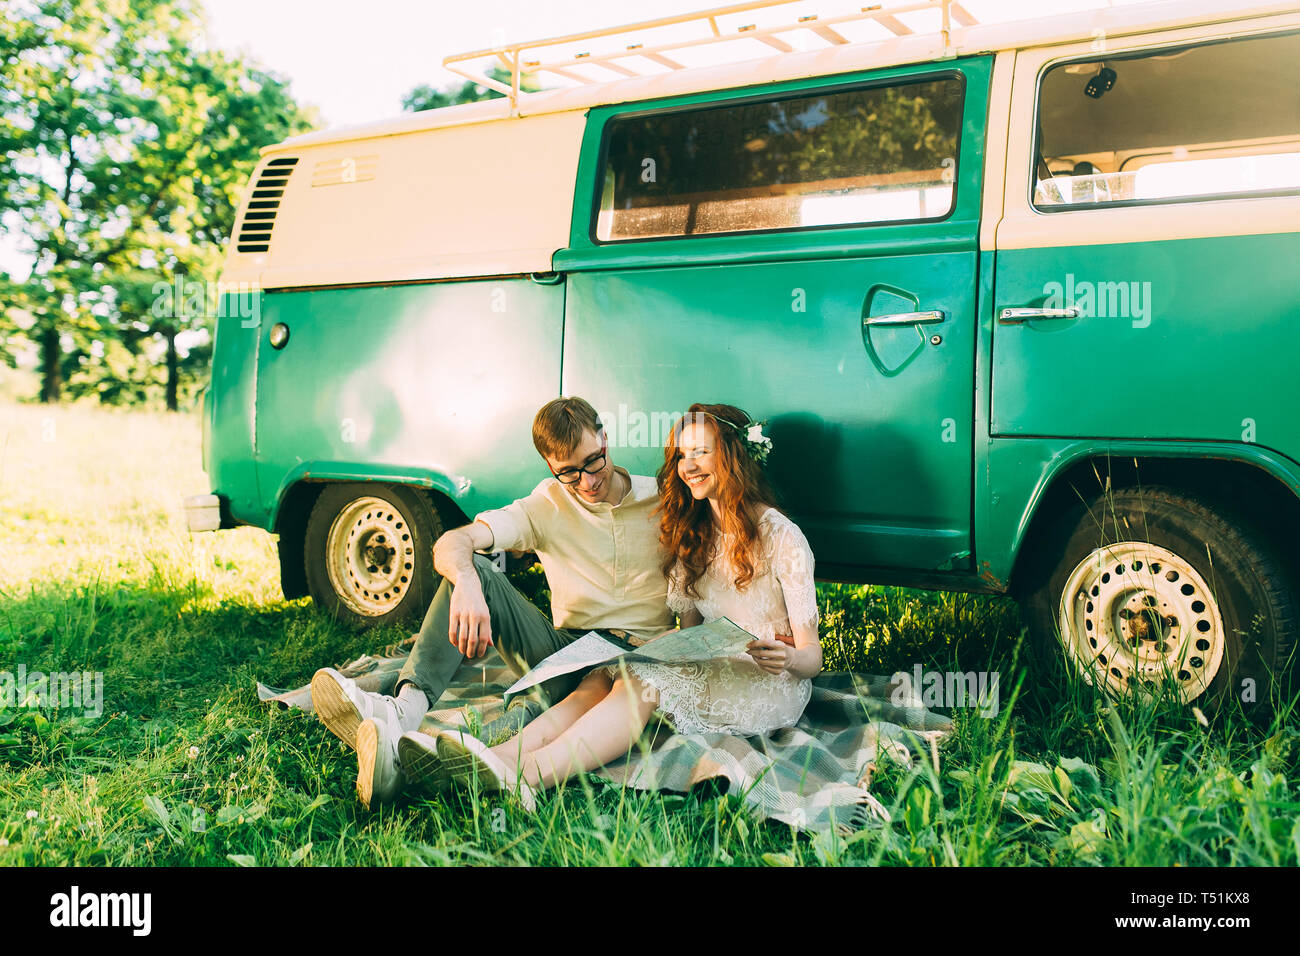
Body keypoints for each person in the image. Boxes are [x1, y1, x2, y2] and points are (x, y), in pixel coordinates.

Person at [400, 403, 822, 808]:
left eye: (701, 453)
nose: (689, 464)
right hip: (677, 660)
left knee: (641, 679)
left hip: (768, 682)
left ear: (732, 456)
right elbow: (692, 634)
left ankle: (529, 774)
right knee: (608, 678)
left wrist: (787, 657)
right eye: (682, 455)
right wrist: (668, 648)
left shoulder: (782, 538)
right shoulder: (693, 535)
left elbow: (813, 659)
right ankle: (498, 757)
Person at [309, 396, 673, 809]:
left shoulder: (663, 498)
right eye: (569, 473)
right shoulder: (548, 503)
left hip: (642, 654)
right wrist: (465, 581)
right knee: (473, 569)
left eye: (594, 461)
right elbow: (455, 541)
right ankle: (405, 711)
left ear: (605, 438)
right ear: (551, 468)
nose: (587, 481)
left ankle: (407, 765)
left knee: (540, 714)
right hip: (564, 653)